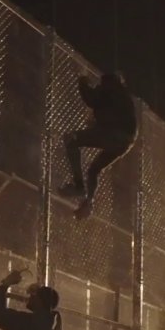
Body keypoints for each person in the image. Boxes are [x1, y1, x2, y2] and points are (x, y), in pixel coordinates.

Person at [58, 73, 137, 220]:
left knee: (71, 140)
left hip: (114, 135)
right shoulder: (124, 97)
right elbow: (111, 114)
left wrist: (83, 82)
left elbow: (91, 99)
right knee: (94, 170)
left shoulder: (109, 88)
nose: (99, 85)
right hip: (125, 142)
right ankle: (88, 203)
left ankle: (79, 186)